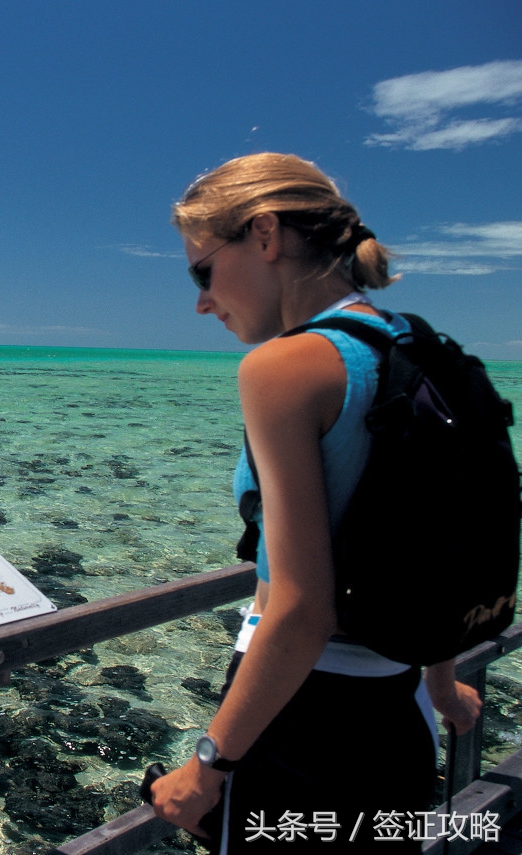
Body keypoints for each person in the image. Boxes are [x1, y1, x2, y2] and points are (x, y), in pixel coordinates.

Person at [150, 153, 484, 852]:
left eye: (201, 270)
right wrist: (444, 684)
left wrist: (208, 765)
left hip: (302, 723)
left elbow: (301, 611)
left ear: (265, 235)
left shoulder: (281, 367)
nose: (202, 301)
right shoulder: (417, 346)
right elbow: (436, 536)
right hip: (401, 714)